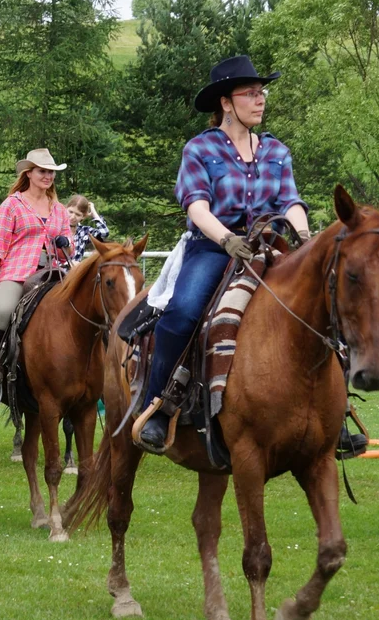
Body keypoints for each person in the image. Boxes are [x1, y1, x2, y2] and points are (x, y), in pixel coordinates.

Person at [133, 55, 316, 453]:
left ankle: (334, 413)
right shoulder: (199, 148)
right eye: (251, 93)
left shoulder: (276, 151)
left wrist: (303, 235)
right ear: (227, 103)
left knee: (319, 304)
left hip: (270, 247)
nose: (260, 99)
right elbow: (197, 207)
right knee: (182, 311)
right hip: (212, 246)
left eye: (261, 92)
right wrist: (227, 240)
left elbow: (291, 201)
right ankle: (158, 405)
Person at [0, 148, 73, 406]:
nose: (48, 176)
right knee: (3, 310)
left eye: (51, 172)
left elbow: (69, 250)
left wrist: (66, 243)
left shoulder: (60, 210)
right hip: (18, 271)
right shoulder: (11, 205)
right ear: (28, 173)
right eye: (43, 171)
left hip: (53, 272)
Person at [66, 195, 110, 264]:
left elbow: (104, 233)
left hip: (76, 272)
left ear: (83, 217)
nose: (72, 217)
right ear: (65, 209)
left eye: (78, 215)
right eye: (70, 212)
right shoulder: (57, 228)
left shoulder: (84, 231)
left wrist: (94, 214)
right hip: (57, 271)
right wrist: (69, 263)